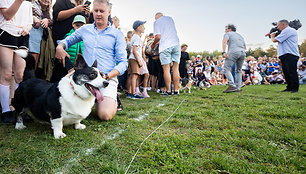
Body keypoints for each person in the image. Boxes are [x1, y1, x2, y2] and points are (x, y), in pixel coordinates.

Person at [55, 0, 128, 121]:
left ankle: (113, 98)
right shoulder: (85, 29)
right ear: (92, 11)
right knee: (59, 93)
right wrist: (59, 47)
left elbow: (123, 63)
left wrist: (107, 76)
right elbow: (67, 41)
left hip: (105, 77)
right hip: (84, 75)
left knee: (105, 115)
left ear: (109, 12)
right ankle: (90, 98)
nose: (98, 14)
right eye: (96, 11)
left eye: (102, 11)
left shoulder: (117, 34)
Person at [0, 0, 33, 124]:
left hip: (23, 36)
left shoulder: (28, 3)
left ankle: (20, 110)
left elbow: (30, 22)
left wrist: (27, 28)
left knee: (20, 75)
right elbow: (7, 15)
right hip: (6, 33)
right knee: (7, 74)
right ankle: (5, 111)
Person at [151, 12, 180, 96]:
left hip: (165, 46)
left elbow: (158, 36)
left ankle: (168, 91)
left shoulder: (157, 22)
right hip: (176, 44)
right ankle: (176, 90)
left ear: (156, 17)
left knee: (166, 69)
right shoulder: (170, 18)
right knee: (175, 68)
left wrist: (153, 45)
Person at [271, 19, 300, 93]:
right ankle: (289, 87)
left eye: (278, 25)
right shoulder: (285, 31)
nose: (277, 27)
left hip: (290, 53)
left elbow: (275, 40)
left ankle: (295, 88)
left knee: (291, 71)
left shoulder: (288, 30)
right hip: (285, 54)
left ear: (283, 24)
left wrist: (272, 36)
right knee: (286, 72)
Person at [28, 0, 53, 70]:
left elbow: (53, 22)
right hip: (33, 38)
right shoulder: (32, 6)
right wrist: (35, 19)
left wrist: (48, 21)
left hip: (44, 42)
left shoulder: (50, 12)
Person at [222, 24, 246, 93]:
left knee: (226, 68)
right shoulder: (240, 36)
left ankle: (232, 85)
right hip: (243, 52)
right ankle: (238, 88)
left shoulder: (228, 34)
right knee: (238, 70)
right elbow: (245, 47)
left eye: (226, 29)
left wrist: (223, 52)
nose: (225, 30)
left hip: (233, 51)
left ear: (230, 29)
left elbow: (224, 41)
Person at [126, 20, 147, 99]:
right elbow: (134, 50)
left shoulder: (134, 37)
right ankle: (134, 93)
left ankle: (129, 92)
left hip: (131, 58)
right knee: (134, 76)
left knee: (131, 76)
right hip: (135, 58)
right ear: (138, 27)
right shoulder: (137, 38)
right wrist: (139, 61)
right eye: (143, 25)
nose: (144, 27)